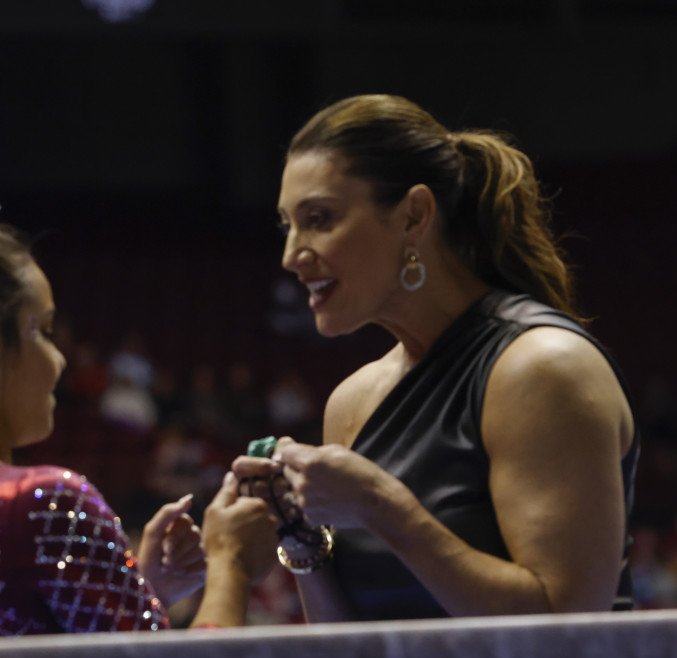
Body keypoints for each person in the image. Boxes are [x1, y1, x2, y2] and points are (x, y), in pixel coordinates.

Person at [0, 171, 277, 641]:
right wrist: (231, 565)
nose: (58, 361)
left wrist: (139, 592)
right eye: (43, 331)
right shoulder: (39, 504)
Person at [234, 94, 639, 622]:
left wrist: (383, 507)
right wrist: (301, 539)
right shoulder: (351, 403)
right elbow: (346, 644)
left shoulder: (540, 368)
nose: (292, 255)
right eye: (288, 224)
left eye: (319, 219)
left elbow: (564, 626)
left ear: (413, 216)